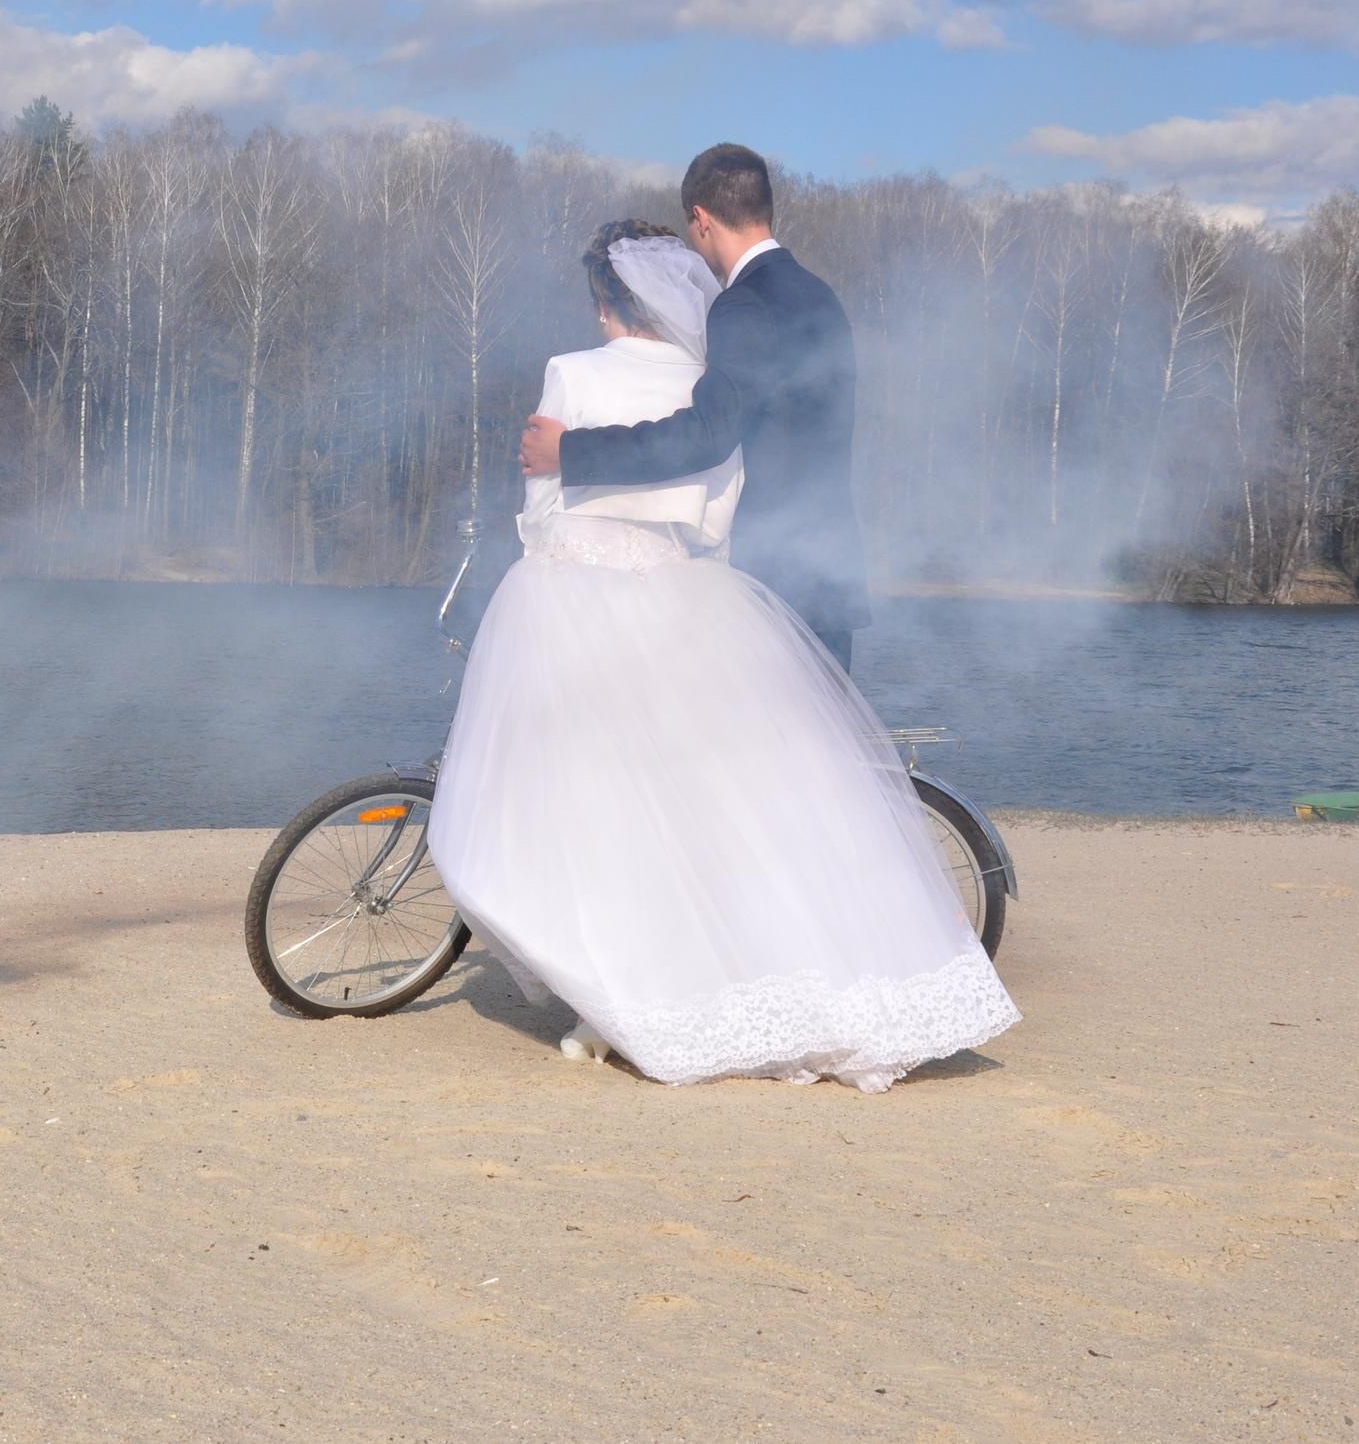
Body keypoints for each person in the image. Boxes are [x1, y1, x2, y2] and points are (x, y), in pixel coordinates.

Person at [427, 216, 1018, 1090]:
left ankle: (613, 989)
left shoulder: (573, 372)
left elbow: (542, 500)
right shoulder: (712, 382)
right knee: (696, 807)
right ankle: (694, 982)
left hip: (572, 599)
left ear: (603, 305)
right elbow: (717, 511)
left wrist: (558, 540)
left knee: (586, 801)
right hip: (687, 601)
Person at [518, 144, 865, 671]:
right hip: (829, 572)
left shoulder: (745, 304)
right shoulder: (820, 295)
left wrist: (569, 451)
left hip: (779, 578)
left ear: (700, 219)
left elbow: (708, 434)